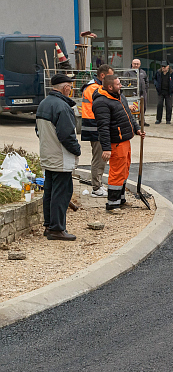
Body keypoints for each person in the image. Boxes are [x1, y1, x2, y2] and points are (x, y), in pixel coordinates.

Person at [35, 74, 81, 241]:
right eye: (71, 86)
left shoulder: (43, 104)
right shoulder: (62, 106)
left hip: (47, 156)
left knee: (49, 192)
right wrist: (77, 150)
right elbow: (67, 135)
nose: (72, 90)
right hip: (60, 158)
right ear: (66, 88)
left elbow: (38, 131)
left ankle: (49, 226)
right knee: (61, 193)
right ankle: (57, 229)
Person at [93, 74, 144, 211]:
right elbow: (103, 127)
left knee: (124, 170)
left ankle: (121, 199)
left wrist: (137, 129)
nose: (120, 85)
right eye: (118, 84)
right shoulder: (102, 103)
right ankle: (112, 204)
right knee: (116, 173)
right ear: (110, 87)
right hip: (116, 143)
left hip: (125, 141)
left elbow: (128, 116)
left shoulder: (120, 97)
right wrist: (106, 148)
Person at [80, 64, 113, 197]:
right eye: (110, 76)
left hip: (96, 126)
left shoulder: (95, 86)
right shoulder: (94, 88)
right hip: (95, 127)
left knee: (101, 158)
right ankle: (96, 188)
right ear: (103, 75)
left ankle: (98, 184)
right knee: (99, 158)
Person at [124, 58, 149, 126]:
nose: (136, 65)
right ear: (132, 64)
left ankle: (142, 121)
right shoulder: (128, 72)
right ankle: (133, 122)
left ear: (140, 64)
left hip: (143, 93)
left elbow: (146, 81)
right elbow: (125, 82)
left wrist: (146, 89)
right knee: (134, 108)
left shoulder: (143, 72)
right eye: (135, 64)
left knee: (143, 107)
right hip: (133, 93)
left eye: (137, 64)